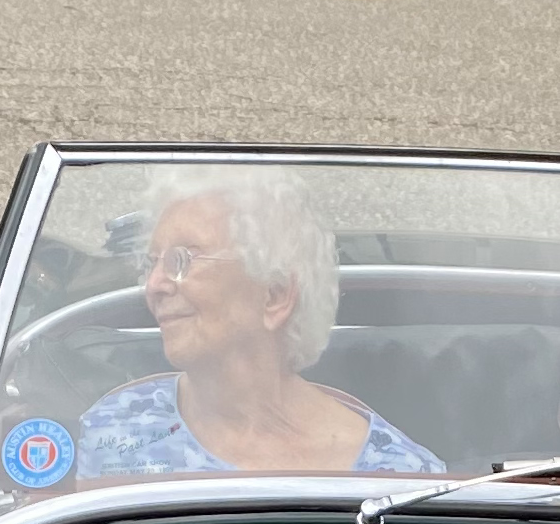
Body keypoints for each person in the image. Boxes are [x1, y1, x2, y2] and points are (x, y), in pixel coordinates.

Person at [78, 170, 442, 479]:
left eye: (182, 260)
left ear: (275, 295)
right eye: (151, 262)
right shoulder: (113, 431)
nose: (154, 286)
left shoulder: (398, 477)